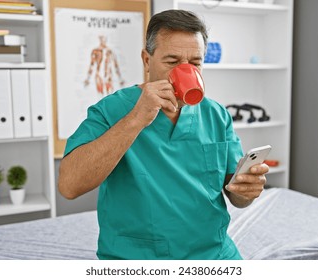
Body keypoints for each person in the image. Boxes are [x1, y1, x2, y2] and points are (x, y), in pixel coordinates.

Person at [58, 9, 269, 260]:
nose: (186, 71)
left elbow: (235, 195)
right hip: (138, 258)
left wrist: (245, 191)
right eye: (172, 62)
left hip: (214, 254)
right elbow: (69, 186)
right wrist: (137, 118)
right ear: (147, 61)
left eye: (195, 63)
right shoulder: (112, 110)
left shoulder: (216, 114)